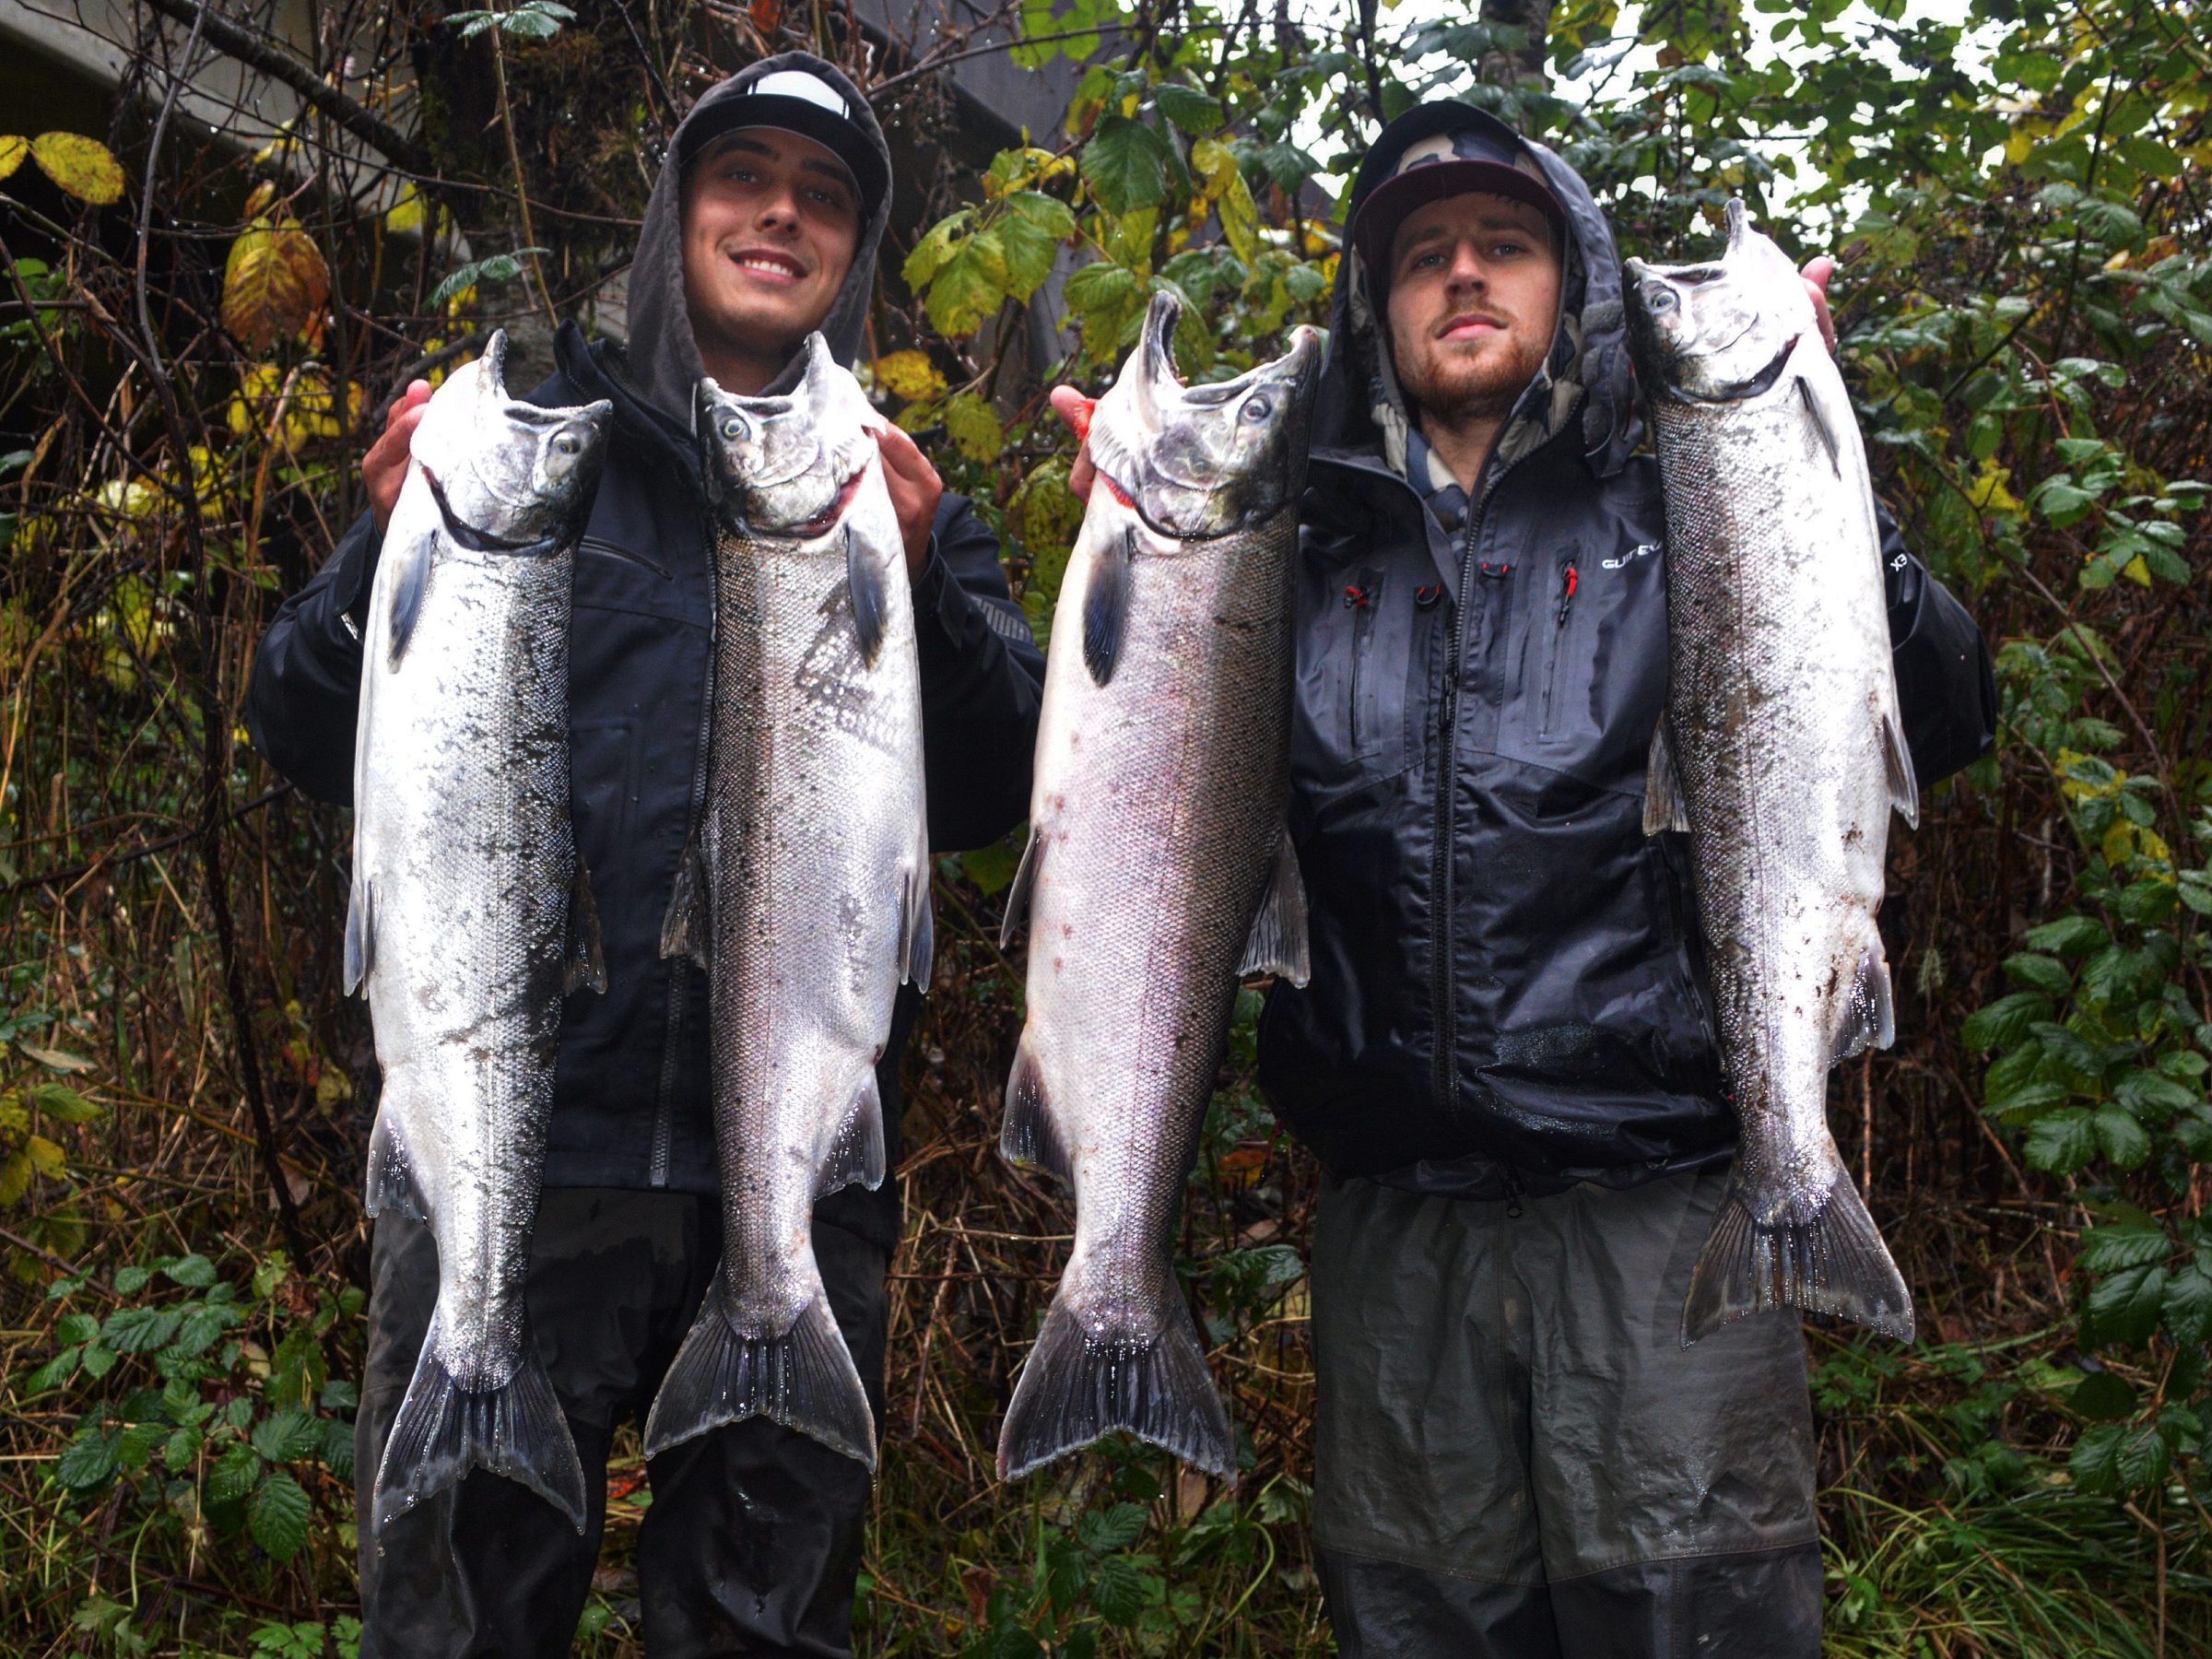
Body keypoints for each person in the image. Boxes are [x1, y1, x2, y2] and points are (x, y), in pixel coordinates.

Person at [1058, 102, 1994, 1655]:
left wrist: (1820, 465)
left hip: (1660, 1214)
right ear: (1377, 306)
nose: (1465, 275)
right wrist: (1129, 563)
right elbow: (1133, 827)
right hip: (1393, 1236)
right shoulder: (1289, 548)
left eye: (1505, 244)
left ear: (1580, 286)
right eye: (1424, 255)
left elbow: (1945, 714)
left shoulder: (1684, 494)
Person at [247, 53, 1045, 1659]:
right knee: (460, 1622)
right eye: (744, 175)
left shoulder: (897, 496)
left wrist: (930, 588)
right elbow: (296, 721)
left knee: (764, 1630)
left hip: (802, 1172)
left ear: (857, 254)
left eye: (825, 198)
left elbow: (997, 789)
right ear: (676, 211)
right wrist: (372, 550)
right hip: (516, 1161)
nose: (781, 214)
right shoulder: (528, 448)